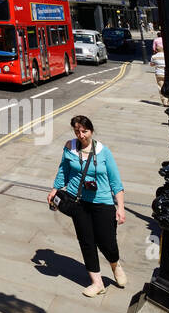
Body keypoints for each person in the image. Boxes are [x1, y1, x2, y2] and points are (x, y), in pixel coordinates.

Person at [48, 115, 127, 297]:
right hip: (78, 202)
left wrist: (120, 207)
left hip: (102, 202)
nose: (81, 135)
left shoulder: (103, 151)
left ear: (91, 131)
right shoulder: (69, 147)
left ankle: (115, 266)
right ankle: (97, 282)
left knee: (107, 242)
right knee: (86, 242)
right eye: (77, 131)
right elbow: (63, 171)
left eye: (84, 131)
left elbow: (116, 182)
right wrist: (55, 189)